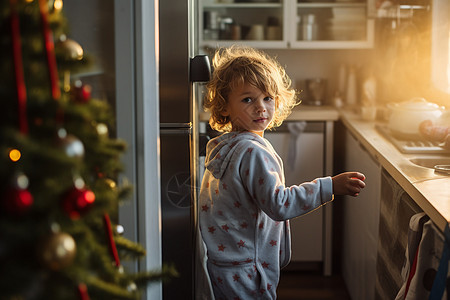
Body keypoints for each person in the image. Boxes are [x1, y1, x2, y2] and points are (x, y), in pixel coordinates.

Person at [199, 46, 366, 300]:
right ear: (224, 107)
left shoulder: (225, 144)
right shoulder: (253, 152)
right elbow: (279, 204)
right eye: (248, 99)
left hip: (224, 262)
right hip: (247, 267)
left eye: (267, 98)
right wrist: (328, 186)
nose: (261, 108)